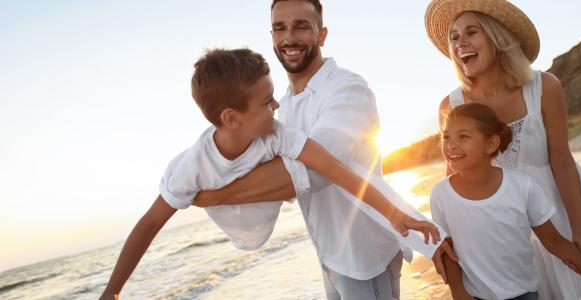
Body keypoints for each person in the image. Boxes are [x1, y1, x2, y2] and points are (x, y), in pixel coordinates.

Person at [98, 48, 443, 299]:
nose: (277, 106)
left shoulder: (276, 133)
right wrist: (112, 292)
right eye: (266, 101)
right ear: (232, 118)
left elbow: (335, 170)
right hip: (238, 231)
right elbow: (149, 224)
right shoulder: (192, 168)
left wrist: (396, 214)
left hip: (329, 244)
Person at [192, 1, 456, 299]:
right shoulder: (284, 103)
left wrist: (214, 195)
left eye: (301, 26)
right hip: (328, 253)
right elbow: (272, 169)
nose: (289, 37)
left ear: (321, 35)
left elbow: (313, 172)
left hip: (364, 255)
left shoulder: (347, 89)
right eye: (279, 28)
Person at [424, 0, 581, 298]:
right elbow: (456, 185)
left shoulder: (544, 86)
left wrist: (579, 231)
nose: (460, 43)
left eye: (471, 32)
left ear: (497, 37)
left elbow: (561, 160)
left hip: (562, 210)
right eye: (454, 37)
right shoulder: (451, 106)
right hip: (504, 232)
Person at [431, 103, 581, 300]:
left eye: (463, 136)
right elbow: (447, 249)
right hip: (475, 296)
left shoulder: (522, 187)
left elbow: (554, 241)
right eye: (446, 137)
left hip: (524, 294)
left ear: (491, 144)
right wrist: (459, 293)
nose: (450, 145)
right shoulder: (440, 194)